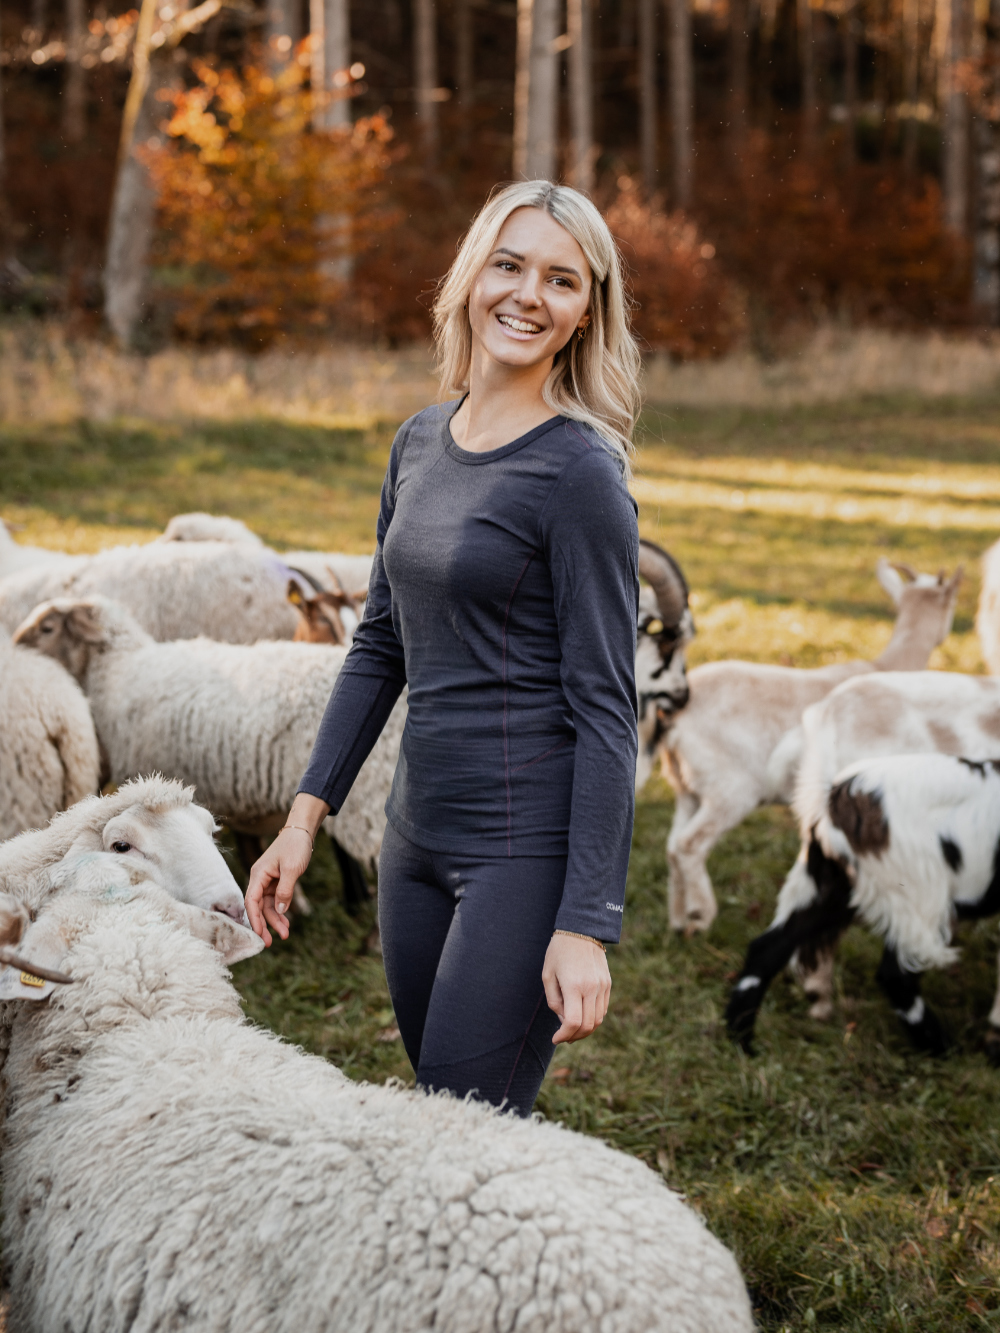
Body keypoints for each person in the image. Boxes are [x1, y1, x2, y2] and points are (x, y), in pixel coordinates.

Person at [245, 179, 643, 1117]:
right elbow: (379, 644)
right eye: (509, 266)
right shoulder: (419, 442)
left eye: (562, 280)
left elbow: (607, 712)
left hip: (523, 856)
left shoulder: (581, 475)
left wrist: (586, 922)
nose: (528, 296)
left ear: (587, 312)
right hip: (413, 841)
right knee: (443, 1120)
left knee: (465, 1132)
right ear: (471, 277)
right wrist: (303, 821)